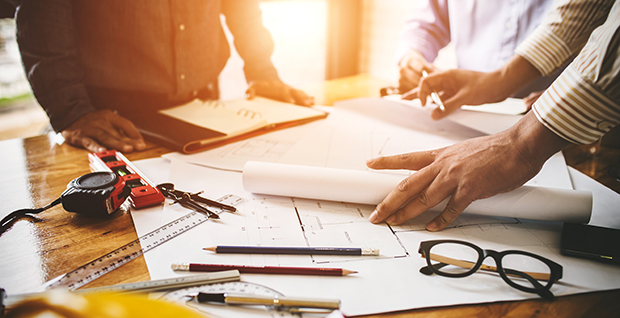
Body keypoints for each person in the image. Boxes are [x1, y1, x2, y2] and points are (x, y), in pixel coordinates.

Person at [368, 0, 619, 231]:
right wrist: (501, 81)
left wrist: (522, 144)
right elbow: (587, 8)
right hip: (487, 116)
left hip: (580, 137)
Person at [10, 0, 314, 153]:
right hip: (108, 120)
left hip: (204, 106)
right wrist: (72, 112)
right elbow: (43, 12)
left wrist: (261, 70)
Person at [396, 0, 562, 120]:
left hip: (553, 118)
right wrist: (412, 57)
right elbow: (427, 23)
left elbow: (577, 31)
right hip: (465, 113)